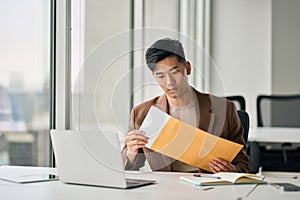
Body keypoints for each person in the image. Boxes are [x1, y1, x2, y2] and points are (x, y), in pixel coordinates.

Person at [122, 38, 249, 173]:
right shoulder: (142, 113)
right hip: (165, 190)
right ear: (154, 76)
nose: (169, 82)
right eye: (161, 76)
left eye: (175, 72)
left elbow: (243, 164)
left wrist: (232, 170)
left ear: (187, 68)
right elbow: (130, 169)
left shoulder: (225, 109)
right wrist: (130, 153)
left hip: (210, 188)